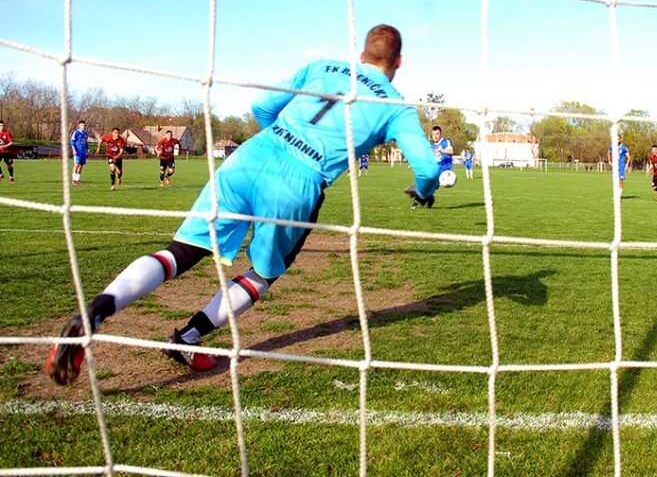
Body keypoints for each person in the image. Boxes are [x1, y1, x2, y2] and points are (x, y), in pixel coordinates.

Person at [46, 24, 440, 385]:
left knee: (182, 250)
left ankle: (94, 312)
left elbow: (263, 107)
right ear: (398, 62)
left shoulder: (322, 66)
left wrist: (279, 141)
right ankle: (188, 336)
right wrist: (423, 191)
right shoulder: (397, 106)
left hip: (251, 156)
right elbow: (425, 166)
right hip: (298, 181)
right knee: (265, 273)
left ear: (361, 55)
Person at [70, 120, 89, 185]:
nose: (83, 126)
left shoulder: (85, 134)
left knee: (81, 166)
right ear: (79, 125)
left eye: (84, 125)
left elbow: (86, 142)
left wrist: (87, 149)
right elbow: (72, 141)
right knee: (76, 165)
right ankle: (73, 180)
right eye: (82, 125)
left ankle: (77, 180)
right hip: (77, 151)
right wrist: (74, 150)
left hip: (83, 152)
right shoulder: (76, 132)